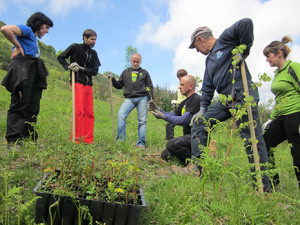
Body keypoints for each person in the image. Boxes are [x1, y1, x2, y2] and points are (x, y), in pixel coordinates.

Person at [172, 18, 271, 191]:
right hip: (226, 99)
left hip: (242, 93)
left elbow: (246, 23)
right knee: (199, 123)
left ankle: (263, 187)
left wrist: (244, 51)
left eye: (196, 47)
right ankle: (196, 168)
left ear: (200, 39)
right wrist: (203, 109)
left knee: (251, 138)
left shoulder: (225, 40)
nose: (197, 51)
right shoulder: (209, 61)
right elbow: (208, 86)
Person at [1, 12, 53, 147]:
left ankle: (28, 138)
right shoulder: (28, 30)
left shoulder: (34, 39)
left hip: (33, 71)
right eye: (46, 27)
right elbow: (5, 29)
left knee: (32, 105)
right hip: (23, 69)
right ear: (38, 24)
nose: (47, 31)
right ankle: (13, 140)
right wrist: (18, 46)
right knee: (20, 103)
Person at [262, 36, 300, 188]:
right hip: (281, 117)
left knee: (297, 156)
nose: (266, 60)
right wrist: (271, 119)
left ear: (279, 53)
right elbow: (279, 98)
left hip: (296, 115)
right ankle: (273, 181)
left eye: (268, 56)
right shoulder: (277, 74)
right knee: (263, 143)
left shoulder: (293, 67)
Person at [57, 29, 100, 144]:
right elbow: (60, 57)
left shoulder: (93, 53)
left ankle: (88, 140)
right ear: (84, 38)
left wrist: (82, 69)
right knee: (79, 111)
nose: (94, 42)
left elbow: (95, 71)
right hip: (77, 82)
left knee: (89, 113)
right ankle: (76, 139)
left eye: (95, 40)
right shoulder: (75, 47)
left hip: (88, 84)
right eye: (92, 39)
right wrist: (68, 66)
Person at [148, 75, 201, 164]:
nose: (179, 87)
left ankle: (195, 163)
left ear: (191, 86)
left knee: (171, 144)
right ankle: (186, 158)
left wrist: (163, 116)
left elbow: (183, 120)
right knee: (165, 155)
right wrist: (158, 110)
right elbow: (172, 115)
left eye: (182, 85)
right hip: (188, 138)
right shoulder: (185, 102)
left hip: (196, 138)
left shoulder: (196, 99)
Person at [108, 53, 153, 149]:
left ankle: (141, 144)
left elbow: (150, 87)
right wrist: (112, 80)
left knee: (142, 121)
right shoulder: (125, 72)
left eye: (137, 61)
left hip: (142, 98)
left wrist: (150, 100)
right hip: (129, 98)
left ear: (140, 62)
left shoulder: (144, 72)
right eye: (134, 61)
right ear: (131, 61)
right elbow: (119, 85)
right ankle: (120, 141)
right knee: (121, 115)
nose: (136, 63)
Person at [165, 69, 188, 141]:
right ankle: (170, 142)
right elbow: (179, 97)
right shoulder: (179, 86)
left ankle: (188, 144)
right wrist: (175, 102)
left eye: (181, 77)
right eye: (179, 77)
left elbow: (187, 98)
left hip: (186, 108)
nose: (180, 79)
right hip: (179, 108)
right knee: (169, 124)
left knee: (186, 127)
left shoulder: (187, 85)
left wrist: (177, 102)